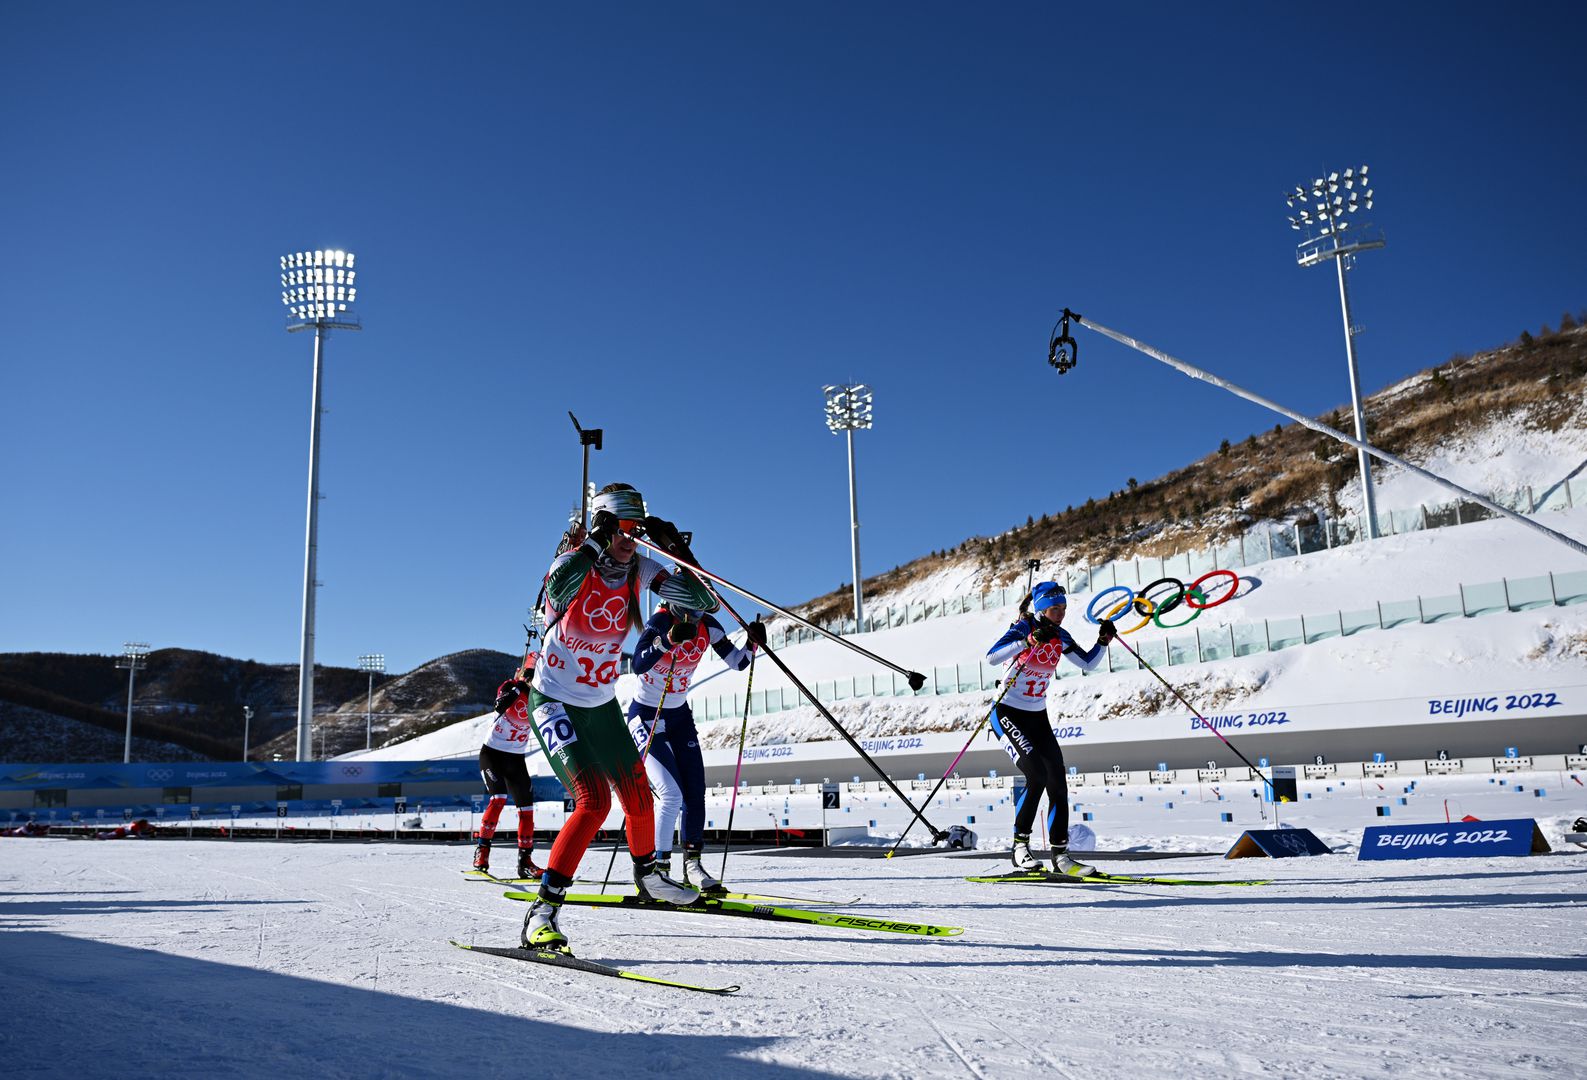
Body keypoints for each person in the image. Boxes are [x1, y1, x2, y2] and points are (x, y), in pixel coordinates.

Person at [520, 483, 720, 951]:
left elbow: (705, 604)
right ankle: (542, 912)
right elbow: (556, 587)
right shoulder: (572, 563)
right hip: (552, 700)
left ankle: (649, 876)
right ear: (602, 524)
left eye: (637, 527)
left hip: (601, 705)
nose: (631, 538)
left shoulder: (641, 569)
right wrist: (594, 541)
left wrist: (678, 550)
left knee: (639, 798)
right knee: (593, 802)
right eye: (622, 528)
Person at [628, 601, 765, 891]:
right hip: (646, 715)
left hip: (679, 716)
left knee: (695, 790)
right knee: (670, 793)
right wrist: (668, 641)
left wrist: (752, 644)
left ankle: (692, 864)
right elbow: (639, 663)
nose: (699, 611)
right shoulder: (661, 621)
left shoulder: (709, 626)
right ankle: (659, 870)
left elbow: (738, 662)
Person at [985, 581, 1116, 877]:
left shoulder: (1060, 634)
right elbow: (992, 656)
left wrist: (1103, 642)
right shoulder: (1024, 627)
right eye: (1055, 608)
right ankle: (1020, 848)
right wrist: (1028, 641)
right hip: (1007, 712)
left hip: (1037, 716)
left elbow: (1087, 663)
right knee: (1036, 775)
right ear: (1042, 608)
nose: (1060, 614)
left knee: (1058, 782)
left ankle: (1061, 856)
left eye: (1064, 608)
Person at [472, 650, 545, 880]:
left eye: (534, 675)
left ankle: (525, 862)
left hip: (515, 758)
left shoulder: (539, 698)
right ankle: (482, 852)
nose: (531, 679)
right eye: (528, 674)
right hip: (492, 754)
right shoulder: (510, 686)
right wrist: (516, 687)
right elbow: (499, 705)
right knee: (498, 799)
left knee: (527, 810)